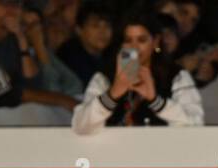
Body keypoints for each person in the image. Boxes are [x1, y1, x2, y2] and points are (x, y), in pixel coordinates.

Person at [71, 4, 201, 131]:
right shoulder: (105, 77)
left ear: (155, 41)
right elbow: (80, 126)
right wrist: (112, 94)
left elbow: (196, 124)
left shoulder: (176, 76)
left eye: (141, 40)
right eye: (128, 40)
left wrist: (156, 101)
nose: (134, 47)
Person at [55, 0, 110, 86]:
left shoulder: (113, 53)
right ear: (79, 30)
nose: (102, 32)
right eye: (95, 26)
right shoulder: (69, 54)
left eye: (107, 26)